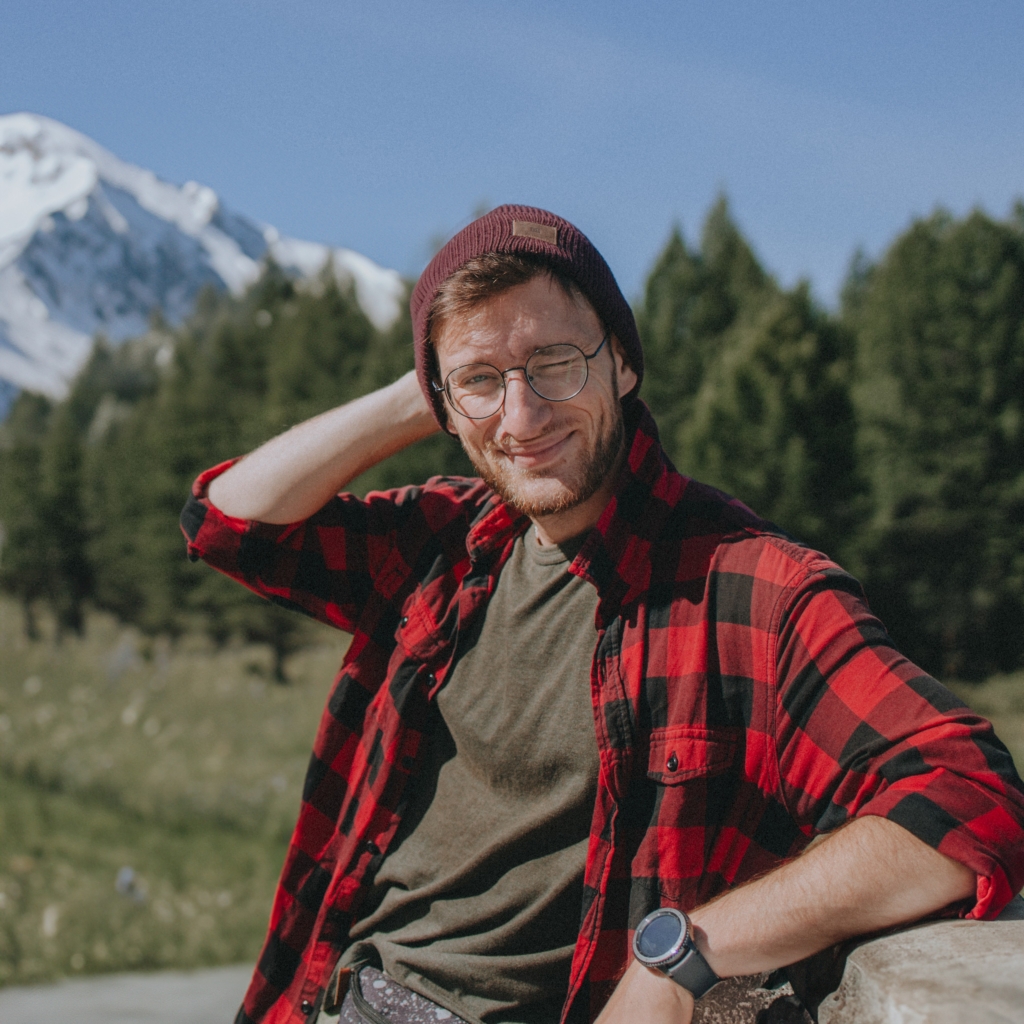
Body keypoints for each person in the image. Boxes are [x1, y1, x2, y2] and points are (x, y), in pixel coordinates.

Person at [181, 205, 1024, 1024]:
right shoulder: (445, 541)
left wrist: (682, 958)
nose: (522, 418)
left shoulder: (750, 587)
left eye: (555, 363)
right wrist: (437, 382)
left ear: (623, 362)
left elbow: (968, 795)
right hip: (346, 998)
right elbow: (229, 524)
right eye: (482, 383)